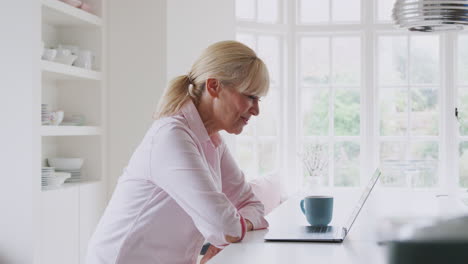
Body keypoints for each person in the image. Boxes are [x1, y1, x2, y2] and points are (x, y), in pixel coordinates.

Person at [86, 40, 270, 264]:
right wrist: (234, 229)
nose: (257, 110)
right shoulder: (171, 136)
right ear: (214, 86)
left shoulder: (212, 141)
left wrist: (237, 227)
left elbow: (252, 205)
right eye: (250, 96)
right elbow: (224, 227)